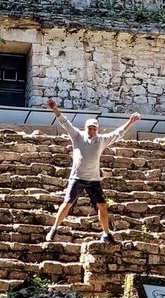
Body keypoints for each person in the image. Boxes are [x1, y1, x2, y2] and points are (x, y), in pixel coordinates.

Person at [44, 97, 141, 244]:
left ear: (98, 129)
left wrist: (131, 121)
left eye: (94, 128)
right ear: (86, 128)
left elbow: (118, 133)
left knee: (102, 205)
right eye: (90, 128)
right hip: (77, 177)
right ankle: (54, 229)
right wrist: (55, 109)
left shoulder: (101, 140)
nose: (92, 130)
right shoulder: (77, 136)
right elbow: (65, 123)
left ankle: (106, 234)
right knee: (67, 203)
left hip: (94, 180)